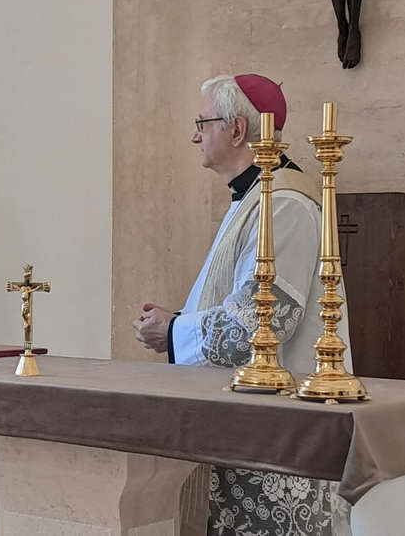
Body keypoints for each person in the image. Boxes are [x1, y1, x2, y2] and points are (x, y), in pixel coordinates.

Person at [132, 73, 351, 535]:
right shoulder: (256, 198)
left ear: (236, 130)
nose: (195, 135)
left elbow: (262, 323)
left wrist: (173, 331)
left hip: (279, 428)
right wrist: (177, 322)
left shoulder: (284, 203)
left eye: (202, 123)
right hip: (245, 420)